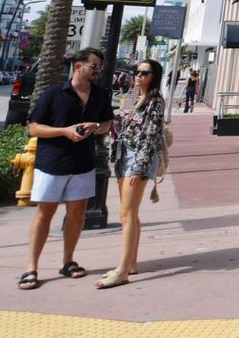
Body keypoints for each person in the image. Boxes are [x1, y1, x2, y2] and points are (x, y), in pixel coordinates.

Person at [20, 47, 111, 289]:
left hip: (83, 163)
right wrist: (64, 131)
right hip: (53, 163)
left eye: (99, 67)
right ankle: (31, 268)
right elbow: (34, 128)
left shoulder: (101, 95)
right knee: (45, 214)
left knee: (77, 213)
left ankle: (68, 261)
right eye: (94, 66)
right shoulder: (54, 94)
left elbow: (107, 123)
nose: (97, 71)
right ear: (78, 65)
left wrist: (95, 127)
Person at [99, 58, 169, 289]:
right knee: (131, 214)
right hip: (123, 156)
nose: (138, 75)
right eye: (136, 71)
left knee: (126, 214)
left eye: (144, 73)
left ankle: (121, 271)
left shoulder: (155, 102)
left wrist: (140, 167)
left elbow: (150, 136)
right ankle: (131, 263)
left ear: (154, 77)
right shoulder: (136, 98)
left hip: (138, 158)